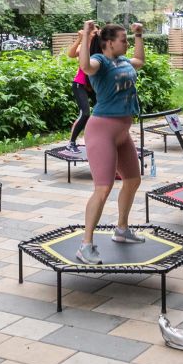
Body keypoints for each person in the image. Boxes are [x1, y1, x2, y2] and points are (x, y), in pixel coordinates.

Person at [76, 19, 147, 264]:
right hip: (102, 131)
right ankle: (85, 245)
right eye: (124, 40)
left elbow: (140, 61)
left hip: (122, 132)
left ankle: (122, 229)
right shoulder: (101, 61)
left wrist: (139, 36)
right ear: (108, 43)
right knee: (103, 188)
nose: (126, 43)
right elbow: (85, 66)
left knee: (133, 180)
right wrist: (86, 34)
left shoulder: (123, 61)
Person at [65, 23, 95, 151]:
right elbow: (71, 54)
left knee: (103, 112)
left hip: (94, 86)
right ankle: (71, 143)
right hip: (80, 84)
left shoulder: (101, 48)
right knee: (85, 113)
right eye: (93, 32)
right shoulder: (84, 47)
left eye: (97, 33)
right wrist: (79, 38)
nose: (95, 34)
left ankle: (95, 139)